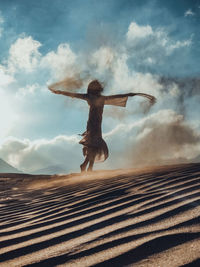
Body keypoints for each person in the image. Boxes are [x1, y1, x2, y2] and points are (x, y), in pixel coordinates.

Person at [48, 80, 156, 172]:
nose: (97, 88)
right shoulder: (89, 97)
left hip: (97, 124)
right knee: (93, 143)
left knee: (94, 144)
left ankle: (86, 165)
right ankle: (88, 167)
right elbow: (73, 94)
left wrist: (130, 94)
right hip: (92, 123)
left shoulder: (102, 98)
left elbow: (116, 96)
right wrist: (60, 92)